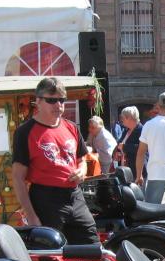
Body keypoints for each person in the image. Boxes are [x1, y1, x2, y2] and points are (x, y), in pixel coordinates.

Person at [12, 77, 99, 245]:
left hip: (75, 196)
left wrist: (81, 171)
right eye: (51, 100)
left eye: (62, 100)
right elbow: (17, 177)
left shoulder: (71, 127)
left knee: (92, 245)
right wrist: (31, 216)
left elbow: (82, 160)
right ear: (38, 101)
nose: (58, 105)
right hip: (46, 199)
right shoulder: (25, 132)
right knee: (51, 251)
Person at [115, 106, 143, 174]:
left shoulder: (141, 130)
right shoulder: (126, 130)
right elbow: (120, 143)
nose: (121, 120)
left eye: (123, 117)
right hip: (125, 167)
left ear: (129, 118)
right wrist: (117, 152)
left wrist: (125, 147)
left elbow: (142, 148)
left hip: (136, 168)